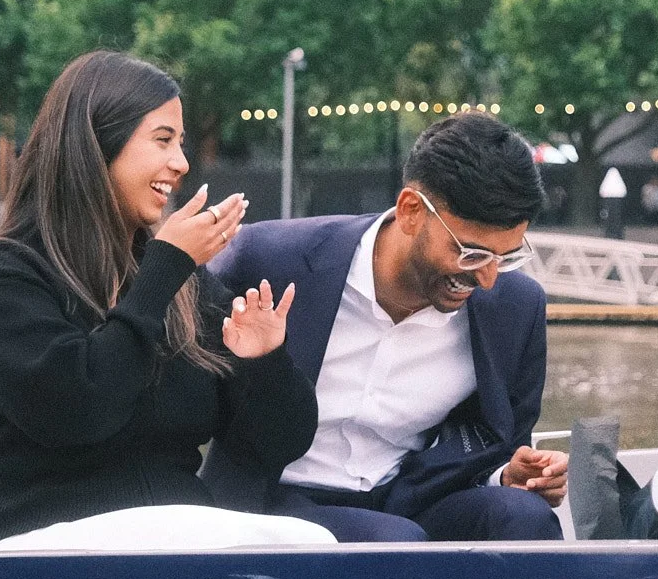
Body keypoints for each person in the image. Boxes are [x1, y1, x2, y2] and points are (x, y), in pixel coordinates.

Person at [0, 51, 322, 550]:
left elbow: (278, 446)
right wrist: (163, 271)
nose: (181, 163)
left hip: (175, 543)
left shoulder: (181, 284)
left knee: (314, 543)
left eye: (181, 143)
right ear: (96, 145)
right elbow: (82, 409)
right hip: (50, 550)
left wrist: (265, 363)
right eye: (163, 140)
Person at [202, 111, 567, 542]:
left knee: (524, 517)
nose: (487, 279)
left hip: (413, 498)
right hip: (276, 500)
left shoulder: (516, 307)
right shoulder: (268, 260)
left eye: (505, 257)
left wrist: (508, 474)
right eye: (471, 254)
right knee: (394, 542)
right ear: (411, 211)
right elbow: (183, 398)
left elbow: (498, 442)